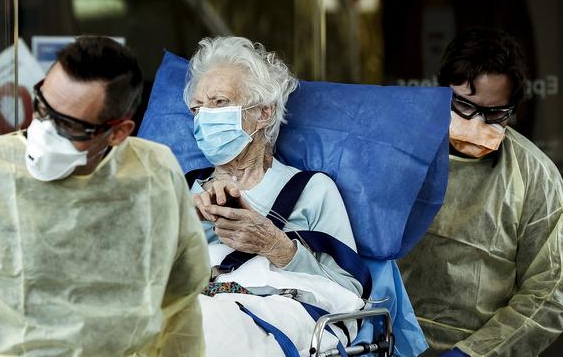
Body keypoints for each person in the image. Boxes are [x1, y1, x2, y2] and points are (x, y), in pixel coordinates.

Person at [0, 36, 209, 357]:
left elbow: (180, 302)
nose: (44, 130)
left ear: (119, 132)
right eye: (41, 106)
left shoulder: (155, 174)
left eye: (67, 125)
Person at [184, 36, 366, 356]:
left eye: (219, 102)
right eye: (197, 108)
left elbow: (348, 296)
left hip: (264, 316)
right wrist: (180, 222)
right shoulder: (184, 189)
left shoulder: (311, 190)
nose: (204, 117)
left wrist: (274, 245)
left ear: (263, 113)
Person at [398, 28, 563, 357]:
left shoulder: (535, 177)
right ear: (440, 90)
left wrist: (476, 352)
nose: (475, 123)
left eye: (493, 114)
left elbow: (551, 289)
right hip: (386, 338)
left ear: (514, 108)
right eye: (463, 106)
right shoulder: (397, 152)